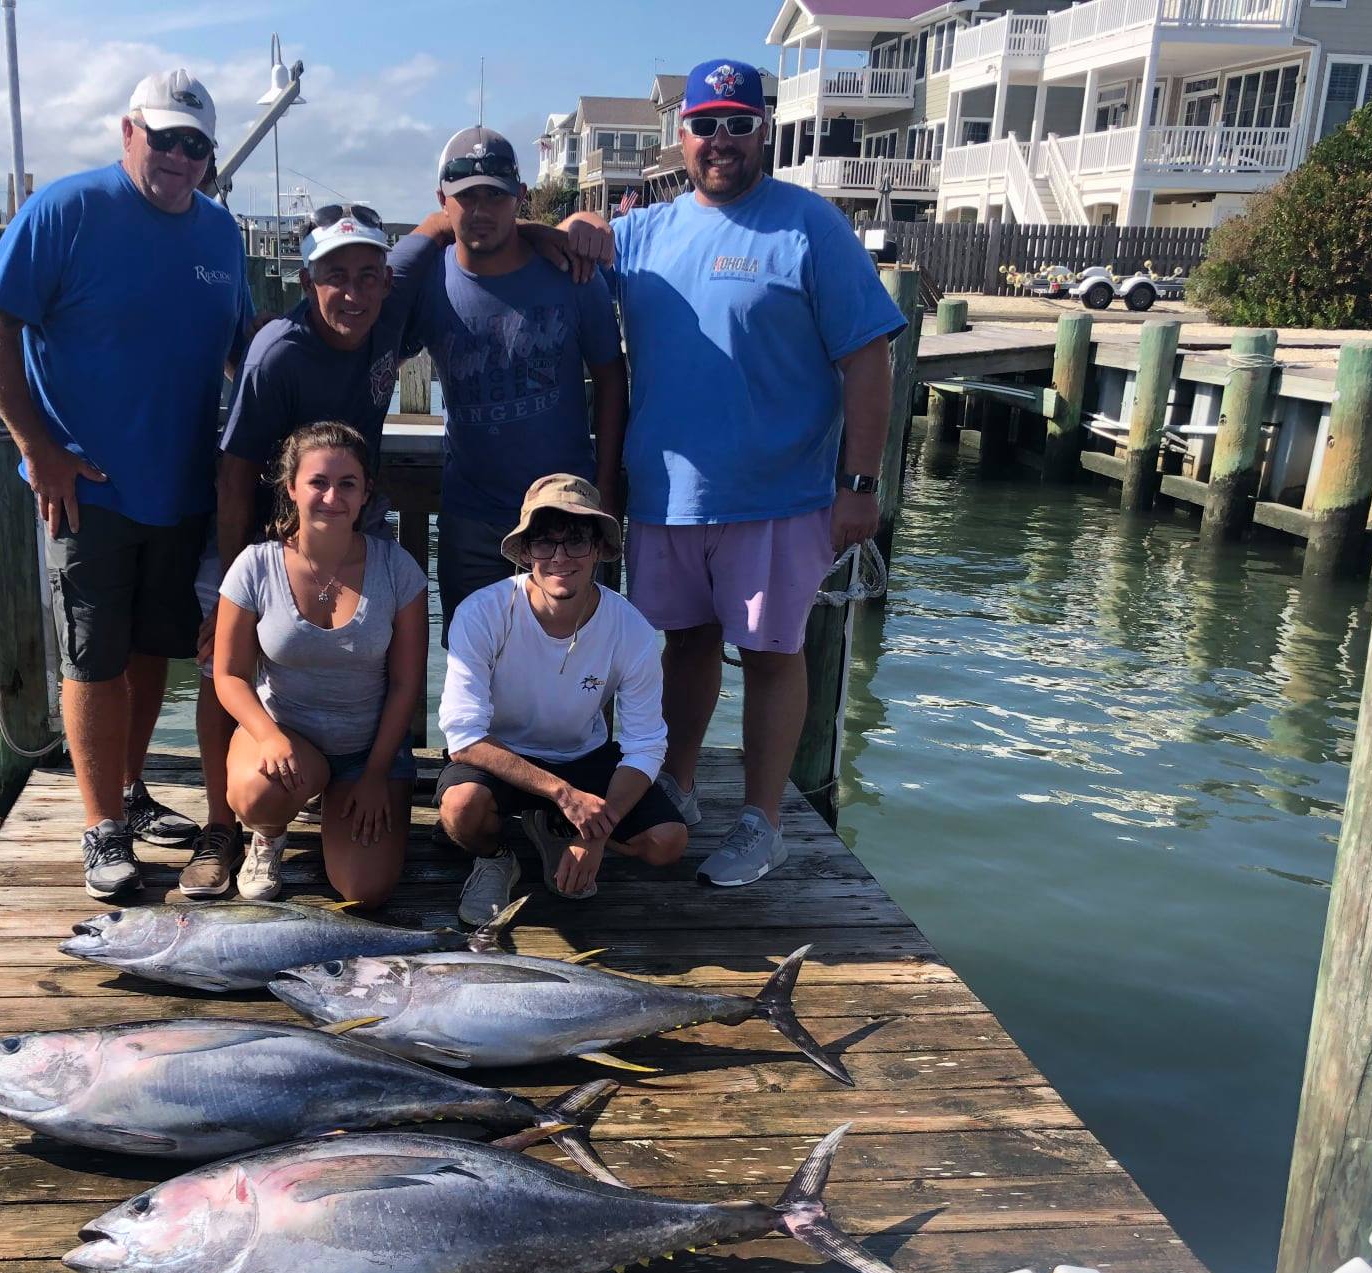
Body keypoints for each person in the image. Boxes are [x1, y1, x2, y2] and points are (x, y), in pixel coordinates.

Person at [561, 59, 904, 888]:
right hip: (666, 496)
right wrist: (569, 222)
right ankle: (678, 784)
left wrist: (859, 487)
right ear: (680, 137)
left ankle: (764, 818)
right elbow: (566, 256)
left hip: (781, 496)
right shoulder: (643, 231)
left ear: (765, 132)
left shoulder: (809, 226)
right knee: (682, 645)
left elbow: (868, 360)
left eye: (738, 123)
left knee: (773, 654)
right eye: (706, 123)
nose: (721, 140)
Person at [0, 69, 254, 900]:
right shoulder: (66, 208)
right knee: (92, 658)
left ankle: (128, 796)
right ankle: (99, 829)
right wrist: (38, 445)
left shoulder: (221, 235)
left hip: (184, 487)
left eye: (195, 144)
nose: (178, 156)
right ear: (129, 132)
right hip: (86, 489)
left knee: (151, 647)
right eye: (164, 138)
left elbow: (242, 351)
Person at [181, 204, 447, 898]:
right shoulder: (278, 353)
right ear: (306, 281)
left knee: (367, 887)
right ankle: (227, 827)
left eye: (367, 276)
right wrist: (239, 577)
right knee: (224, 664)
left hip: (353, 515)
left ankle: (347, 785)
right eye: (335, 278)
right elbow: (236, 472)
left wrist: (555, 231)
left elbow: (441, 221)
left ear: (387, 281)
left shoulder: (391, 304)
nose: (353, 293)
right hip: (270, 525)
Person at [394, 128, 629, 633]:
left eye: (495, 195)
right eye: (466, 197)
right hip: (472, 519)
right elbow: (370, 352)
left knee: (576, 672)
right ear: (443, 202)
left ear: (519, 198)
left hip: (568, 516)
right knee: (473, 674)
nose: (480, 210)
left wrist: (607, 486)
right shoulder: (428, 282)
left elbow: (611, 378)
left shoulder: (571, 273)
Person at [436, 474, 687, 924]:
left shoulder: (630, 629)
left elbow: (645, 744)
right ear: (525, 550)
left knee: (668, 842)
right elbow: (465, 737)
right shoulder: (481, 612)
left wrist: (595, 832)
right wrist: (564, 794)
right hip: (501, 755)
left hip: (584, 755)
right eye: (544, 542)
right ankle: (496, 857)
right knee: (460, 809)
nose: (559, 557)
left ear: (598, 548)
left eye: (575, 541)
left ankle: (559, 829)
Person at [212, 422, 429, 907]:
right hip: (288, 738)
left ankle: (342, 797)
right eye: (318, 482)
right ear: (291, 488)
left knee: (365, 891)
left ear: (365, 492)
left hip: (368, 749)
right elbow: (228, 675)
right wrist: (268, 738)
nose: (332, 496)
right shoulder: (255, 565)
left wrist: (375, 774)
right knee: (255, 795)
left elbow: (406, 684)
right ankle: (268, 834)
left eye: (347, 484)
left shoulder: (398, 569)